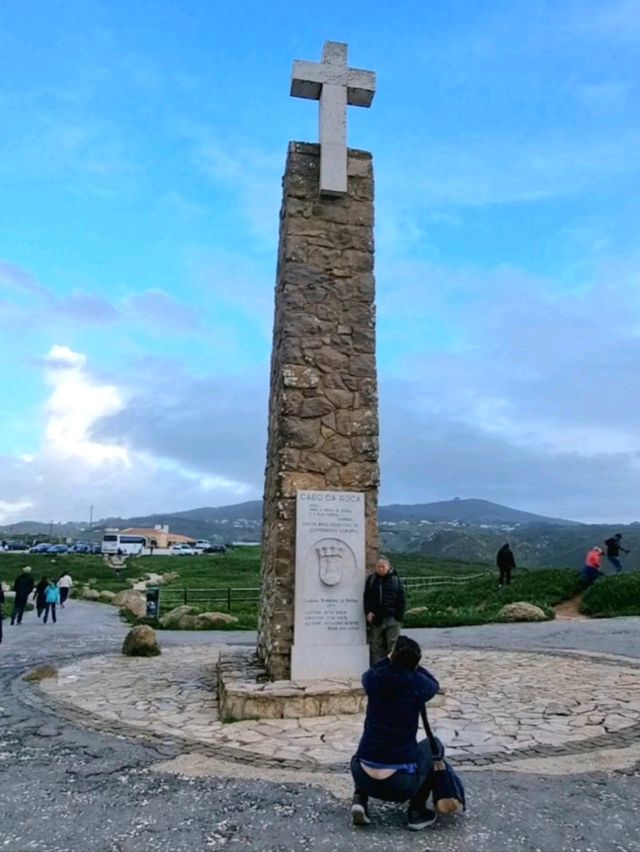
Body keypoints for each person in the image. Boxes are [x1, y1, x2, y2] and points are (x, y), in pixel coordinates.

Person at [350, 635, 440, 831]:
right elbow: (434, 684)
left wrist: (390, 659)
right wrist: (414, 666)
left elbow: (372, 670)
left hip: (363, 776)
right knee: (434, 746)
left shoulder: (373, 680)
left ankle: (360, 800)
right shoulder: (417, 684)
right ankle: (416, 811)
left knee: (366, 747)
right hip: (400, 783)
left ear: (392, 655)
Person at [364, 557, 406, 664]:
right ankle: (378, 670)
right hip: (376, 619)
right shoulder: (371, 580)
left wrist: (398, 617)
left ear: (388, 567)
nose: (380, 569)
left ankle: (394, 669)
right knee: (376, 646)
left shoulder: (395, 580)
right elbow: (366, 597)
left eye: (382, 566)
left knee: (393, 645)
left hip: (392, 618)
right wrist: (368, 612)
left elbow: (401, 599)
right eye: (378, 567)